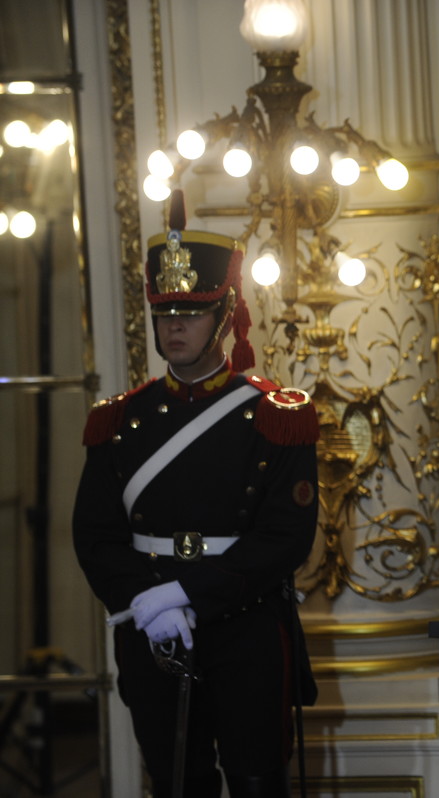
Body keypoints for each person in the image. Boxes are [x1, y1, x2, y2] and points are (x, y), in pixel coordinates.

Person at [72, 191, 319, 798]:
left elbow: (284, 537)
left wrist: (187, 594)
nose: (175, 326)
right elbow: (95, 534)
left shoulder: (276, 415)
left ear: (226, 313)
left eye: (192, 311)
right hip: (150, 626)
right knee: (176, 782)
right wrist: (147, 602)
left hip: (245, 624)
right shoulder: (118, 420)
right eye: (165, 313)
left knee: (257, 781)